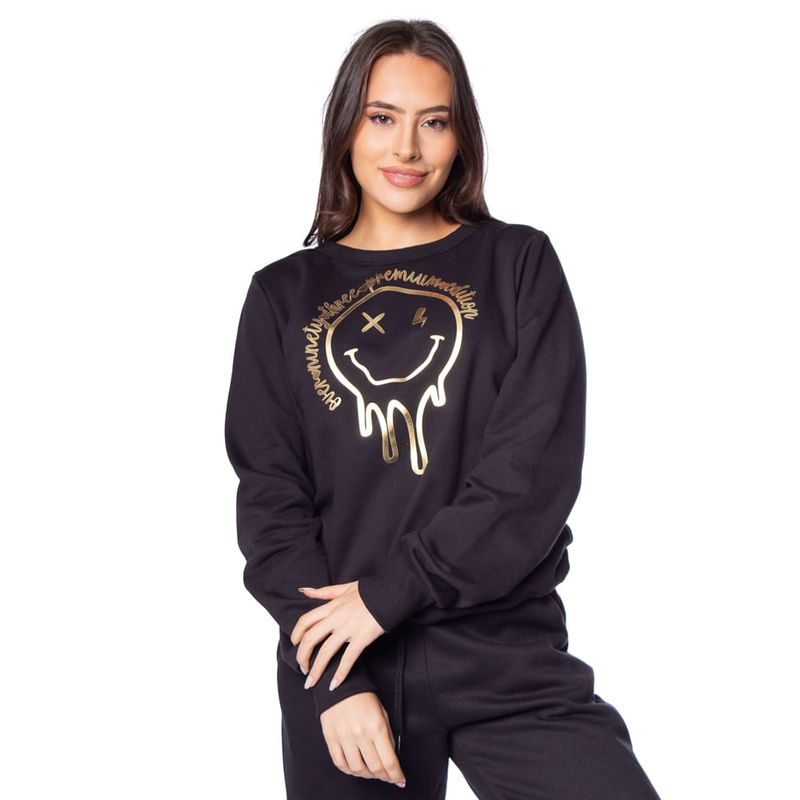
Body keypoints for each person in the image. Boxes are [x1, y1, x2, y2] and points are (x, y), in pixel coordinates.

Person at [224, 18, 662, 800]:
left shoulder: (518, 265)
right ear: (346, 126)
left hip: (504, 657)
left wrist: (389, 593)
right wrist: (334, 682)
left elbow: (529, 481)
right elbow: (271, 505)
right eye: (382, 117)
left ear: (462, 137)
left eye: (434, 121)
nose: (407, 148)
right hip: (345, 664)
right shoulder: (282, 297)